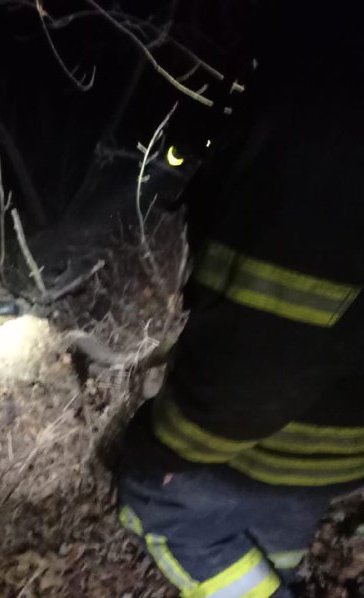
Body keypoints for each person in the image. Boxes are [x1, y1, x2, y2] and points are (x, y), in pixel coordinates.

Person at [116, 7, 364, 598]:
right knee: (273, 524)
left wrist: (170, 444)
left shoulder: (322, 123)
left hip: (294, 436)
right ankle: (278, 574)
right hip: (340, 432)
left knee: (152, 498)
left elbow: (264, 354)